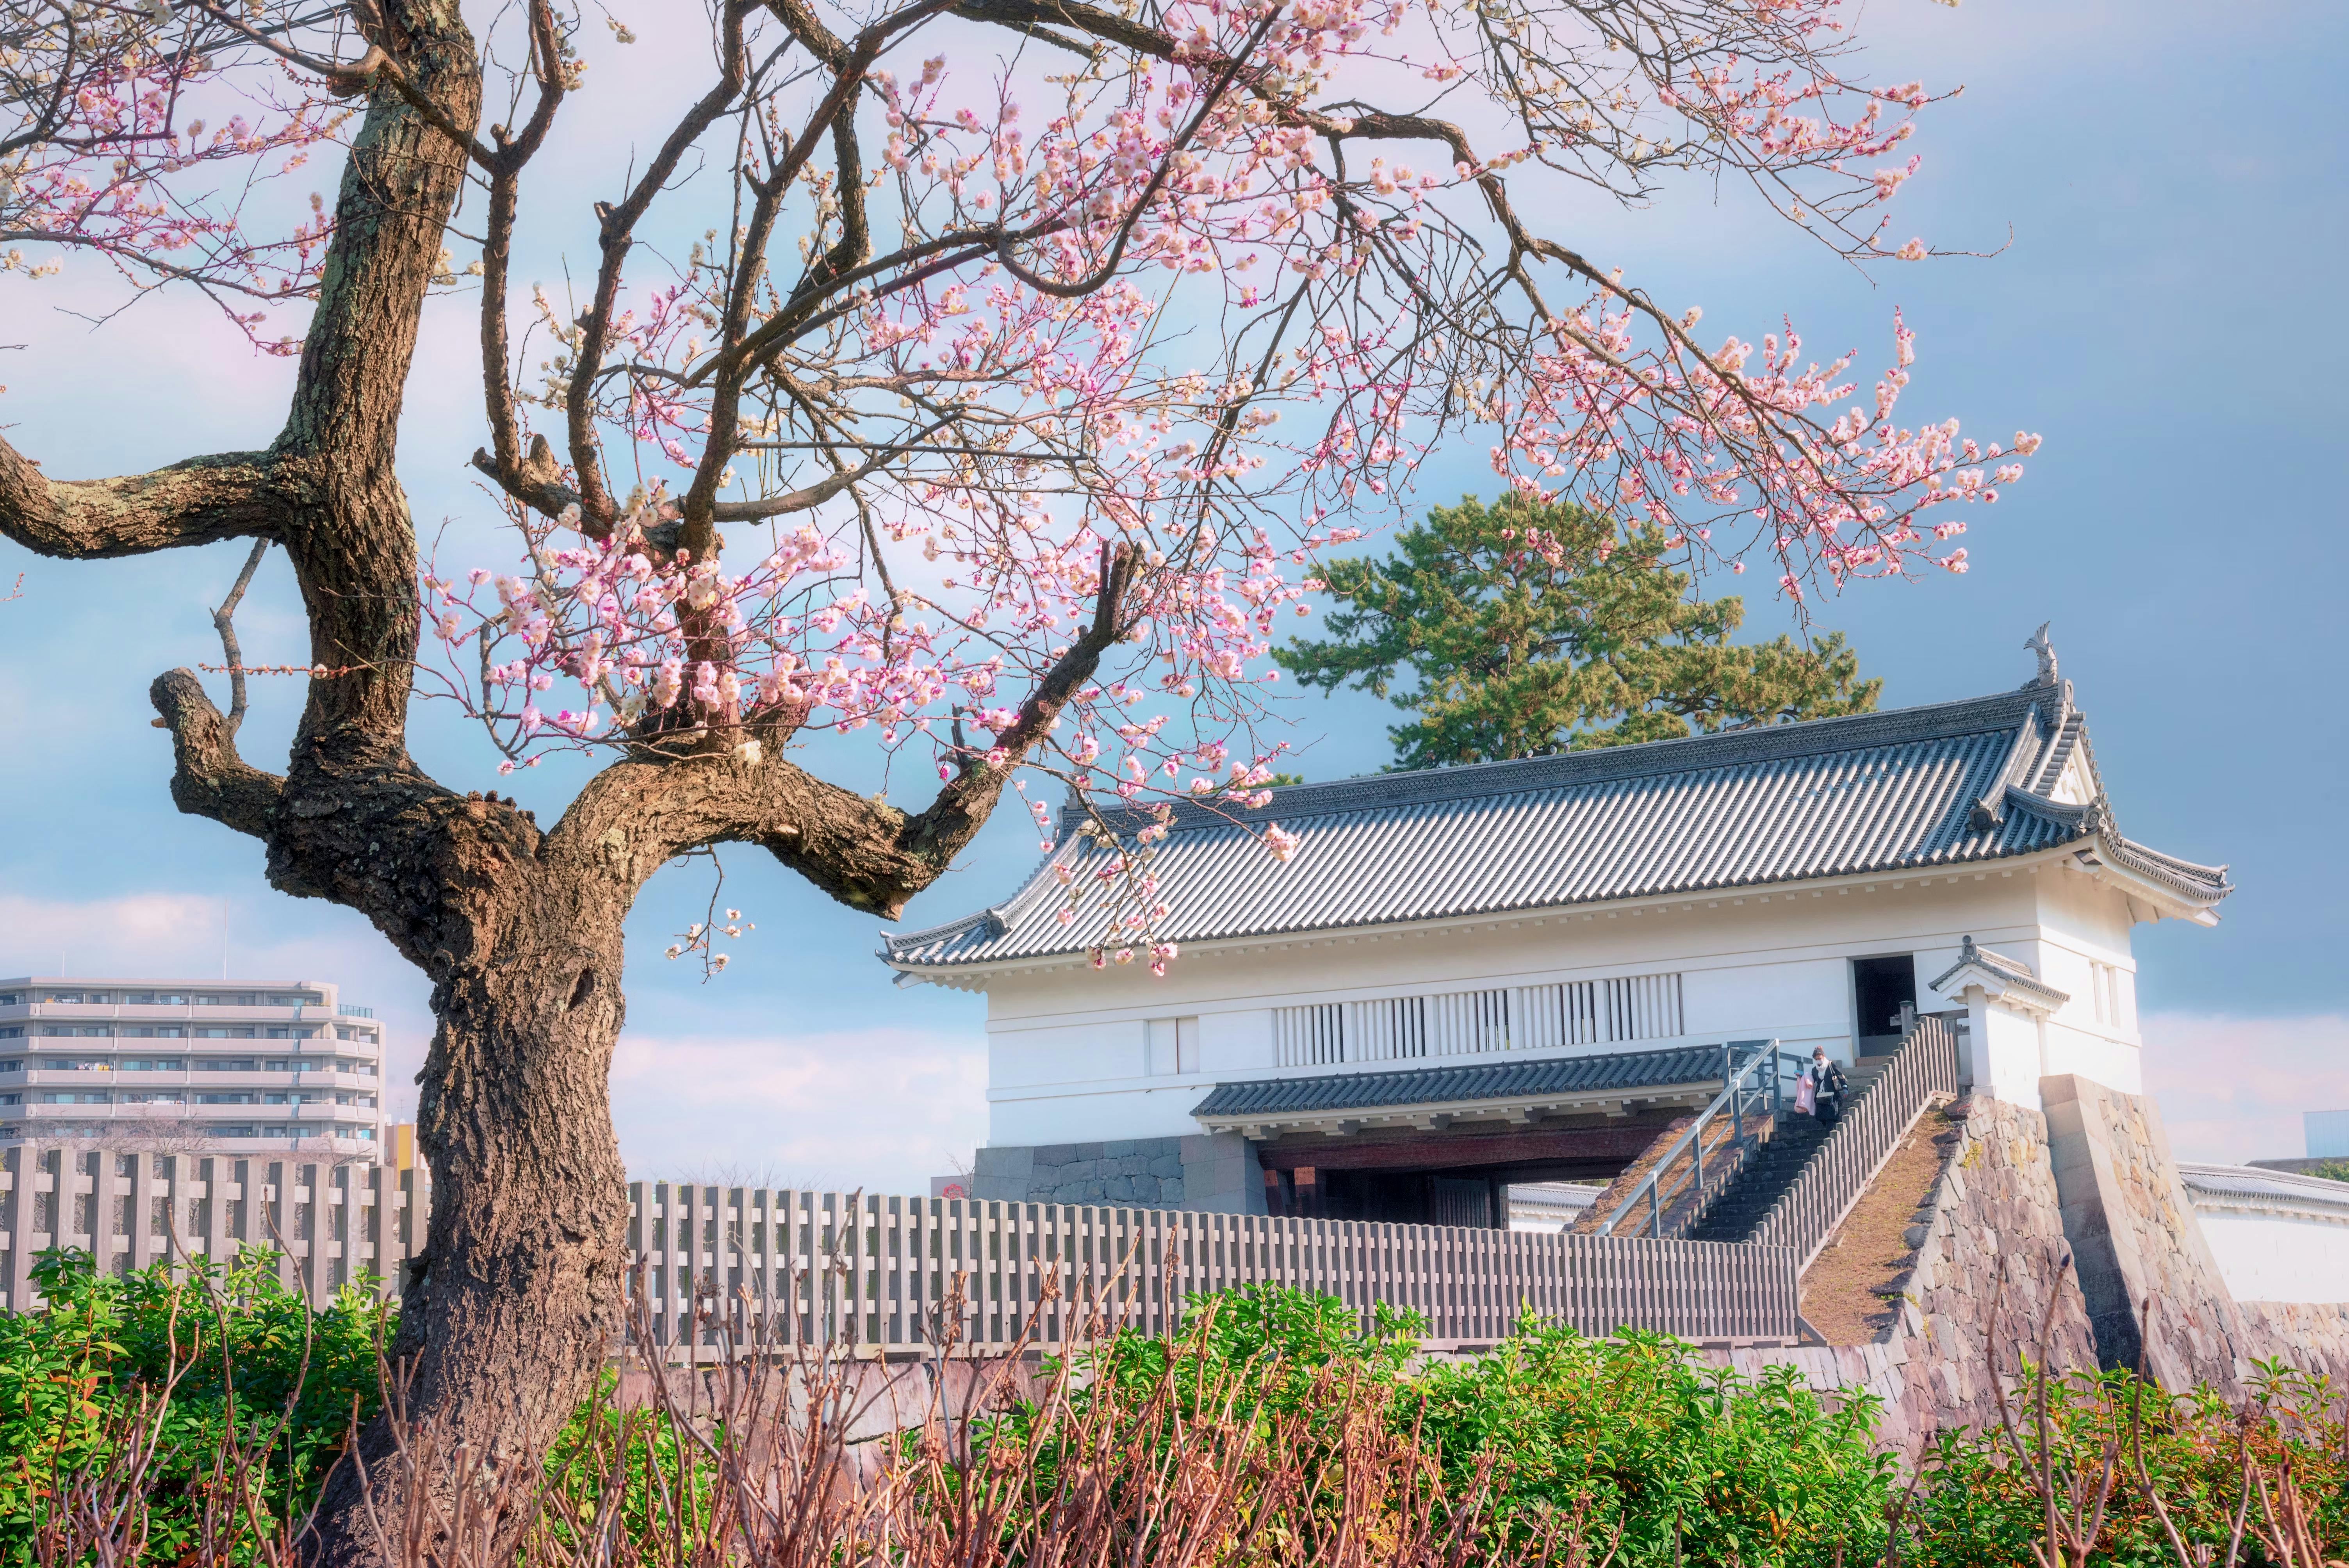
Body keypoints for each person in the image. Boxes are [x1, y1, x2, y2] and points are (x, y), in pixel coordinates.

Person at [1810, 1046, 1850, 1129]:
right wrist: (1802, 1078)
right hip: (1821, 1097)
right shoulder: (1815, 1070)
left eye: (1820, 1058)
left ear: (1824, 1056)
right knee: (1821, 1118)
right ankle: (1832, 1133)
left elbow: (1840, 1076)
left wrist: (1845, 1088)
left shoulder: (1831, 1065)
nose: (1819, 1060)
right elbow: (1812, 1080)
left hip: (1832, 1096)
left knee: (1830, 1118)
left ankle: (1830, 1137)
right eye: (1817, 1059)